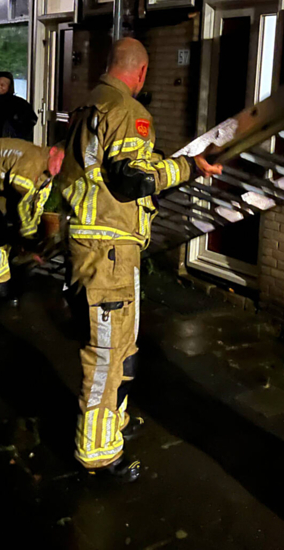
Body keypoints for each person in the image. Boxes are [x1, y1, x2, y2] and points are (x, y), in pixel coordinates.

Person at [60, 37, 222, 481]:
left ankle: (115, 422)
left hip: (98, 247)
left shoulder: (88, 106)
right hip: (108, 252)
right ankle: (97, 451)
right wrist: (188, 167)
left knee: (124, 346)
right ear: (142, 72)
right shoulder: (128, 111)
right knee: (106, 354)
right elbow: (132, 179)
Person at [0, 138, 65, 301]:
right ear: (53, 151)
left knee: (6, 227)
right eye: (61, 161)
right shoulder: (33, 161)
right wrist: (26, 237)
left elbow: (35, 207)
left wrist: (31, 239)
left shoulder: (46, 177)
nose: (61, 169)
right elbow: (20, 202)